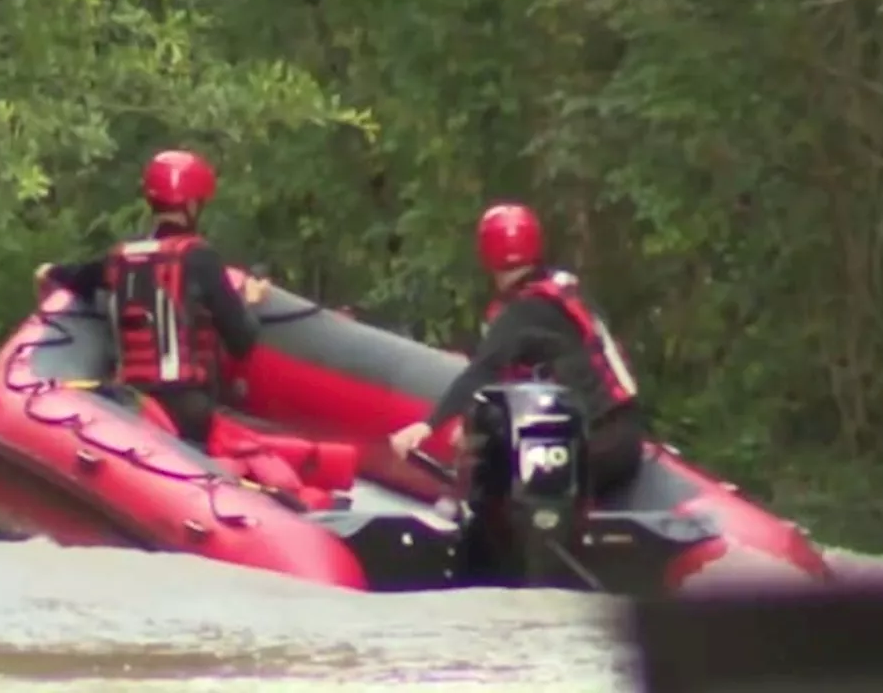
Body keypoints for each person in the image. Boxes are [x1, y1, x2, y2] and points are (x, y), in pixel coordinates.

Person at [36, 149, 356, 509]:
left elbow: (71, 275)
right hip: (189, 410)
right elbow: (242, 342)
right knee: (266, 440)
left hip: (136, 405)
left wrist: (48, 272)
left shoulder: (119, 258)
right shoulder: (200, 257)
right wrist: (249, 300)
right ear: (193, 205)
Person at [388, 203, 644, 495]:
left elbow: (482, 371)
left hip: (596, 448)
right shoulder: (564, 291)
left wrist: (428, 426)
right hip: (625, 436)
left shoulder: (522, 311)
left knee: (492, 477)